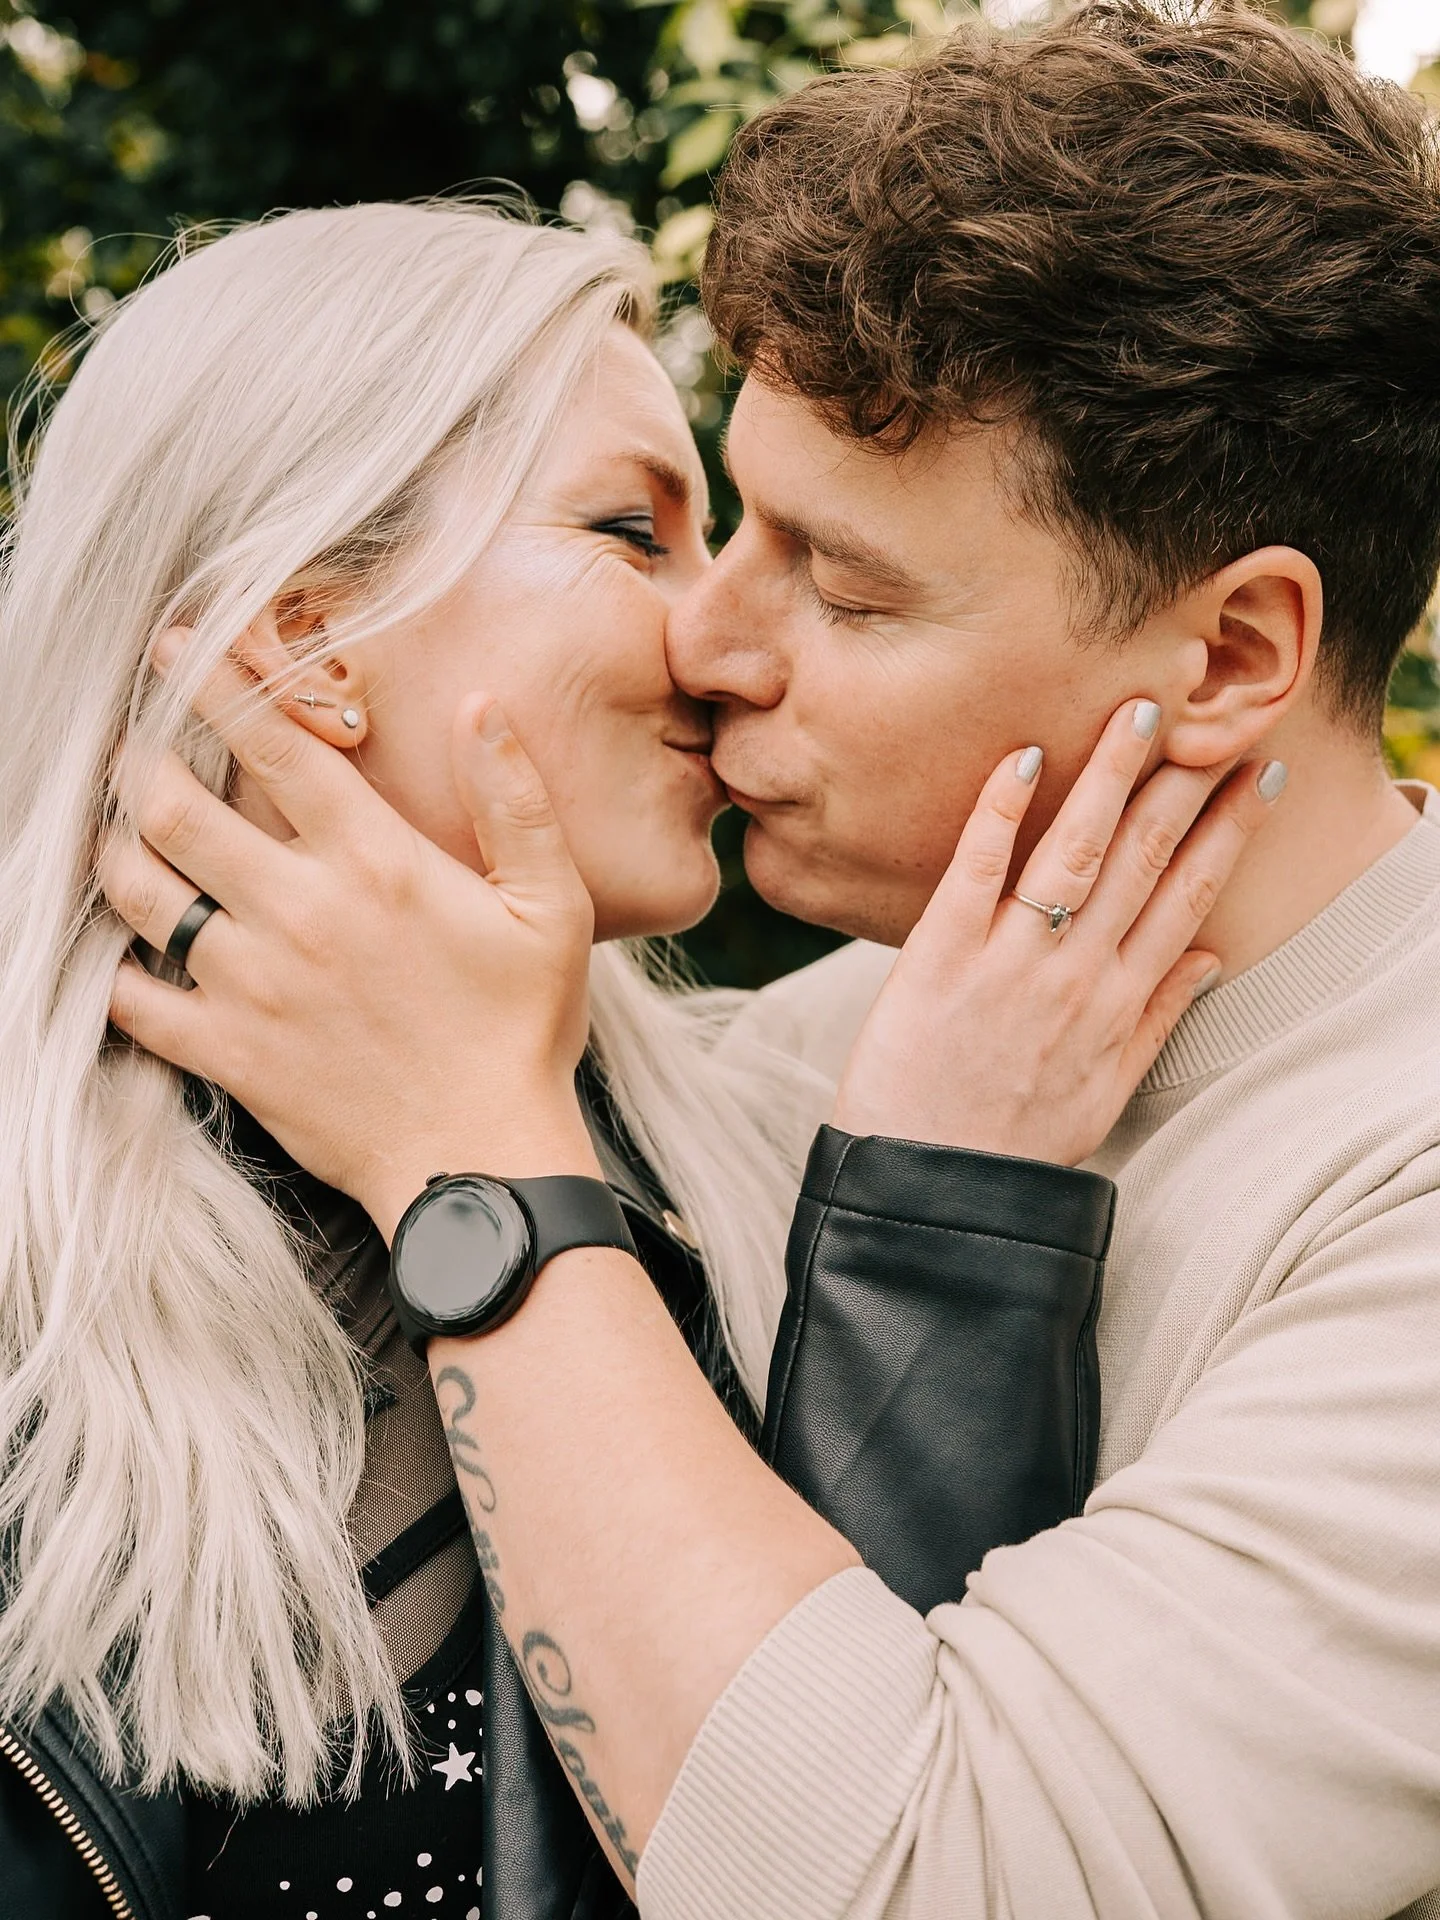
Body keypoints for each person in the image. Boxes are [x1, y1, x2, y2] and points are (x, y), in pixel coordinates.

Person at [103, 3, 1440, 1917]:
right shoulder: (768, 1073)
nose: (710, 646)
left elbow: (925, 1879)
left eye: (843, 584)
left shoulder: (1399, 1195)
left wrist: (471, 1159)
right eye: (718, 526)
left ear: (1228, 657)